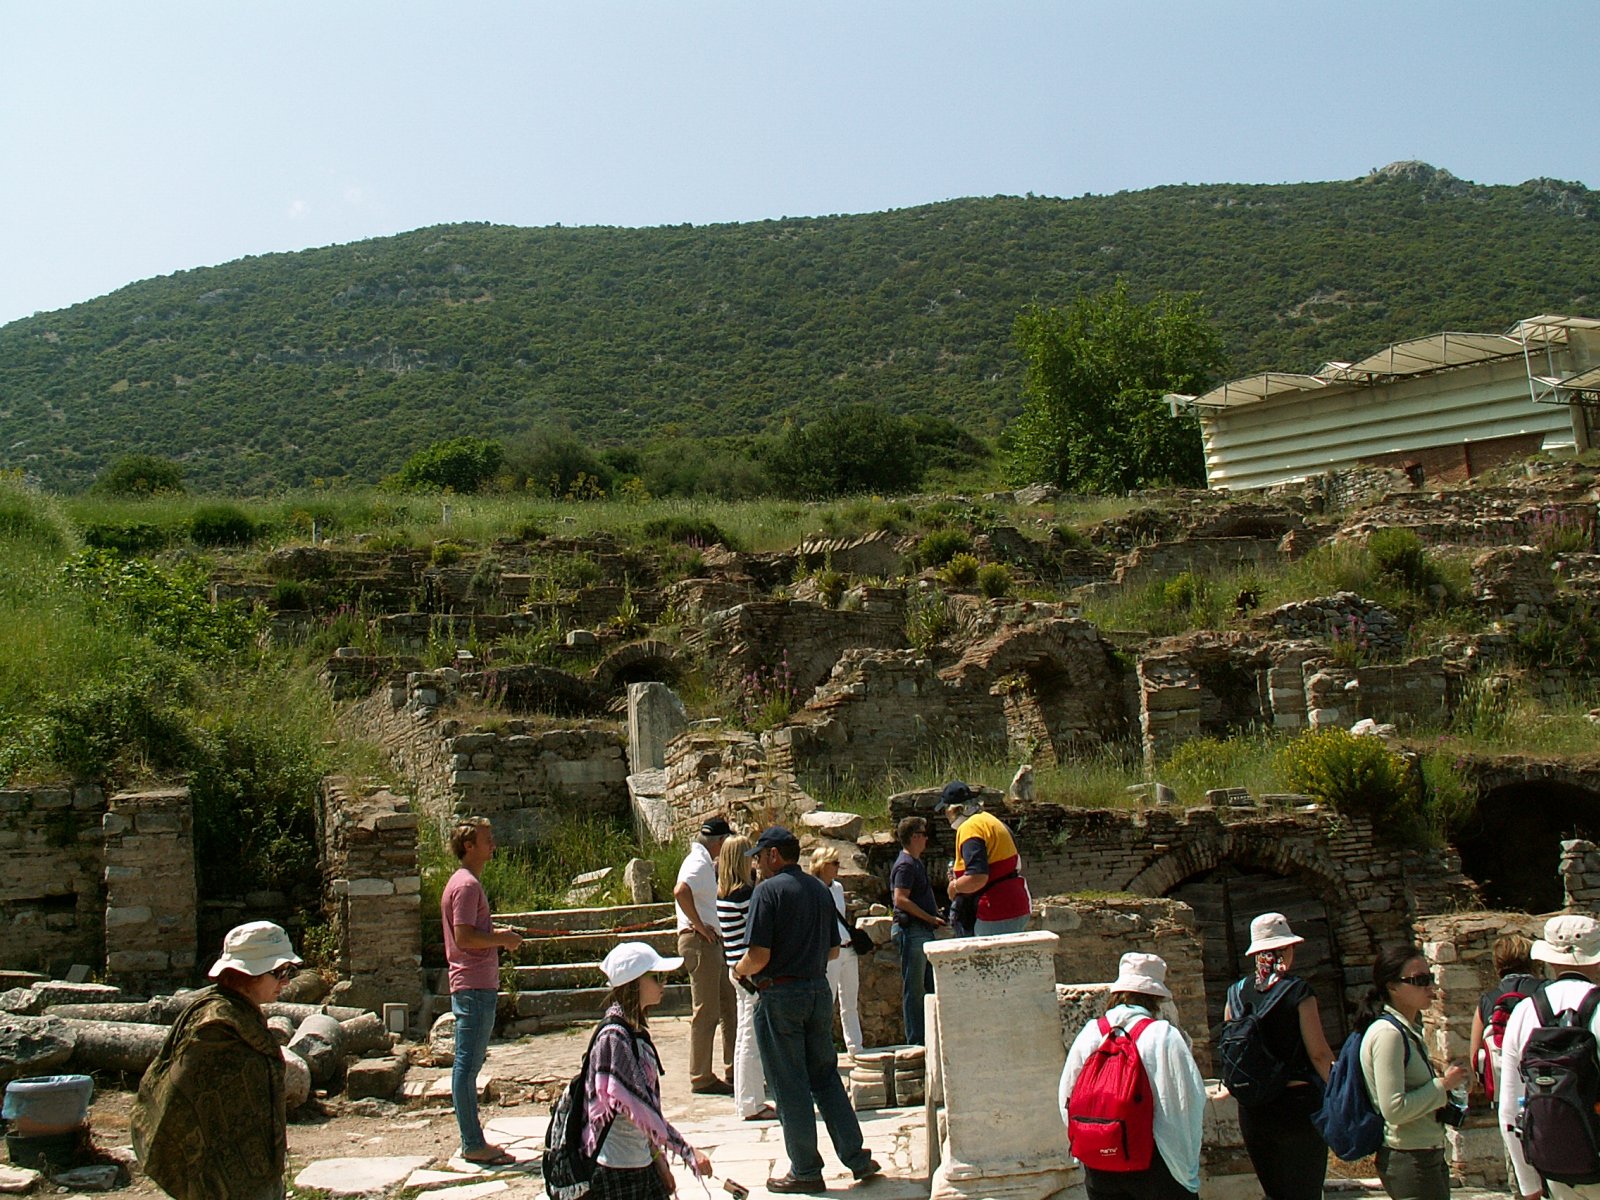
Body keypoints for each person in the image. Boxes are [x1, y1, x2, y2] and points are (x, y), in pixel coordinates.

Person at [735, 826, 880, 1194]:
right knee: (826, 1076)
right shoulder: (819, 889)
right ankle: (856, 1157)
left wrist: (738, 970)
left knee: (789, 1084)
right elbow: (834, 950)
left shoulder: (767, 892)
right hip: (817, 989)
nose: (756, 864)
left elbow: (759, 955)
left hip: (780, 995)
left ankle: (805, 1169)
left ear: (773, 855)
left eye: (759, 856)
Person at [131, 921, 302, 1200]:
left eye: (289, 972)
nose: (286, 981)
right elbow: (182, 1103)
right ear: (249, 974)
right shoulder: (215, 1027)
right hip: (221, 1176)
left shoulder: (242, 1013)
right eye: (279, 972)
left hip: (252, 1166)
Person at [1058, 952, 1206, 1200]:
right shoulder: (1163, 1036)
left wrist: (1095, 1145)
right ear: (1157, 998)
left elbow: (1066, 1097)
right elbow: (1186, 1102)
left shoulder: (1092, 1032)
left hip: (1099, 1166)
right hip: (1154, 1164)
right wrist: (1186, 1172)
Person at [582, 942, 714, 1200]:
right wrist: (686, 1151)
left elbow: (643, 1111)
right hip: (616, 1169)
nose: (663, 983)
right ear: (633, 983)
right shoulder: (614, 1038)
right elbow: (639, 1109)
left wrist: (658, 1159)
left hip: (639, 1161)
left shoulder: (633, 1032)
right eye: (657, 977)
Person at [1224, 912, 1335, 1200]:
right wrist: (1342, 1092)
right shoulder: (1298, 992)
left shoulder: (1235, 994)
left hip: (1253, 1111)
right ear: (1286, 950)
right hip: (1296, 1107)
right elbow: (1320, 1054)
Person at [441, 816, 525, 1166]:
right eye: (486, 839)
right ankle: (472, 1142)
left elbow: (470, 931)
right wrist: (502, 940)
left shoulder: (466, 882)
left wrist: (496, 933)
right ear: (469, 845)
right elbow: (464, 937)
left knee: (468, 1064)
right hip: (473, 984)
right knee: (467, 1065)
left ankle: (472, 1139)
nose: (493, 844)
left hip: (475, 983)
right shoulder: (467, 885)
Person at [1498, 914, 1600, 1200]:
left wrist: (1528, 1184)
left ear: (1548, 959)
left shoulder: (1524, 1012)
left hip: (1554, 1168)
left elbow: (1509, 1109)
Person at [1359, 944, 1468, 1200]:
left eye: (1430, 979)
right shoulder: (1388, 1035)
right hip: (1410, 1159)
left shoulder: (1407, 1030)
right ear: (1392, 986)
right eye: (1419, 981)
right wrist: (1443, 1085)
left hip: (1426, 1154)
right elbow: (1394, 1109)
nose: (1430, 987)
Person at [674, 816, 736, 1095]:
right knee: (707, 1011)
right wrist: (699, 926)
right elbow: (681, 891)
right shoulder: (698, 863)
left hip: (709, 942)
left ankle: (735, 1067)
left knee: (728, 1005)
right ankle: (701, 1076)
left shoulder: (701, 862)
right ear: (719, 842)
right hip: (700, 942)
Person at [716, 834, 773, 1121]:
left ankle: (746, 1099)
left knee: (743, 1038)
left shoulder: (724, 894)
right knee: (751, 1039)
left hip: (735, 970)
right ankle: (751, 1103)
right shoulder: (744, 896)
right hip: (748, 971)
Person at [943, 780, 1031, 937]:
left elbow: (977, 877)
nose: (945, 815)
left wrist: (954, 887)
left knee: (987, 961)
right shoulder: (992, 821)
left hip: (995, 909)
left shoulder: (970, 828)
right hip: (1017, 904)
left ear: (956, 809)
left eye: (945, 809)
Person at [889, 815, 945, 1044]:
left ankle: (929, 1035)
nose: (926, 839)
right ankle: (917, 1040)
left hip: (921, 930)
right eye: (923, 834)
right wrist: (929, 917)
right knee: (914, 989)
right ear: (914, 837)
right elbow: (900, 899)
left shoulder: (914, 863)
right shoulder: (905, 865)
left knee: (928, 986)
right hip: (912, 930)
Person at [1468, 932, 1538, 1103]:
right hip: (1544, 1085)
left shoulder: (1488, 1001)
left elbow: (1475, 1057)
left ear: (1497, 964)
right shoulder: (1547, 991)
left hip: (1507, 1092)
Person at [808, 845, 864, 1058]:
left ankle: (855, 1047)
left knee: (850, 1000)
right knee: (826, 1001)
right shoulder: (812, 888)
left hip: (848, 948)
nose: (838, 867)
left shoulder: (838, 888)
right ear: (822, 866)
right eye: (834, 863)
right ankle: (822, 1050)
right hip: (829, 951)